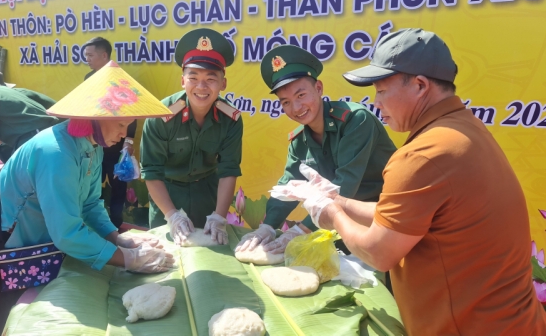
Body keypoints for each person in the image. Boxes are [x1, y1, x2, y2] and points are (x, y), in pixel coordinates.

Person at [284, 28, 546, 334]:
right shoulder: (463, 128)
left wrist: (331, 215)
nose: (376, 103)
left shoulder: (422, 155)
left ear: (420, 85)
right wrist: (337, 199)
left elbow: (379, 252)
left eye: (381, 91)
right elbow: (404, 220)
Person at [0, 61, 174, 336]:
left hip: (22, 248)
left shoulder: (93, 148)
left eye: (127, 125)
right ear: (95, 117)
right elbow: (67, 232)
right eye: (120, 123)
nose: (123, 133)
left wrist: (117, 237)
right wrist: (128, 259)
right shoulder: (55, 151)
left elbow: (91, 205)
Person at [235, 45, 396, 254]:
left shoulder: (355, 121)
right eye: (286, 102)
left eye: (301, 95)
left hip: (381, 225)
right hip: (338, 226)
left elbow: (344, 187)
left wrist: (300, 231)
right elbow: (287, 186)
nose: (296, 108)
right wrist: (267, 227)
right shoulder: (298, 141)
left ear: (318, 88)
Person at [141, 28, 243, 245]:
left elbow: (228, 170)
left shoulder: (231, 119)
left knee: (212, 254)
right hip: (166, 195)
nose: (201, 86)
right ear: (182, 81)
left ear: (223, 84)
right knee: (165, 258)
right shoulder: (161, 116)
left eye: (211, 78)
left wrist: (219, 216)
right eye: (193, 77)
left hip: (207, 193)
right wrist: (171, 215)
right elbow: (151, 172)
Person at [84, 36, 137, 228]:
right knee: (92, 187)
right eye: (86, 56)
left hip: (116, 146)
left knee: (118, 188)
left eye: (90, 55)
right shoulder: (88, 79)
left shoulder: (121, 81)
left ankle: (115, 226)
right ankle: (93, 226)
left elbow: (131, 113)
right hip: (94, 145)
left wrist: (128, 143)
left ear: (104, 55)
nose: (87, 59)